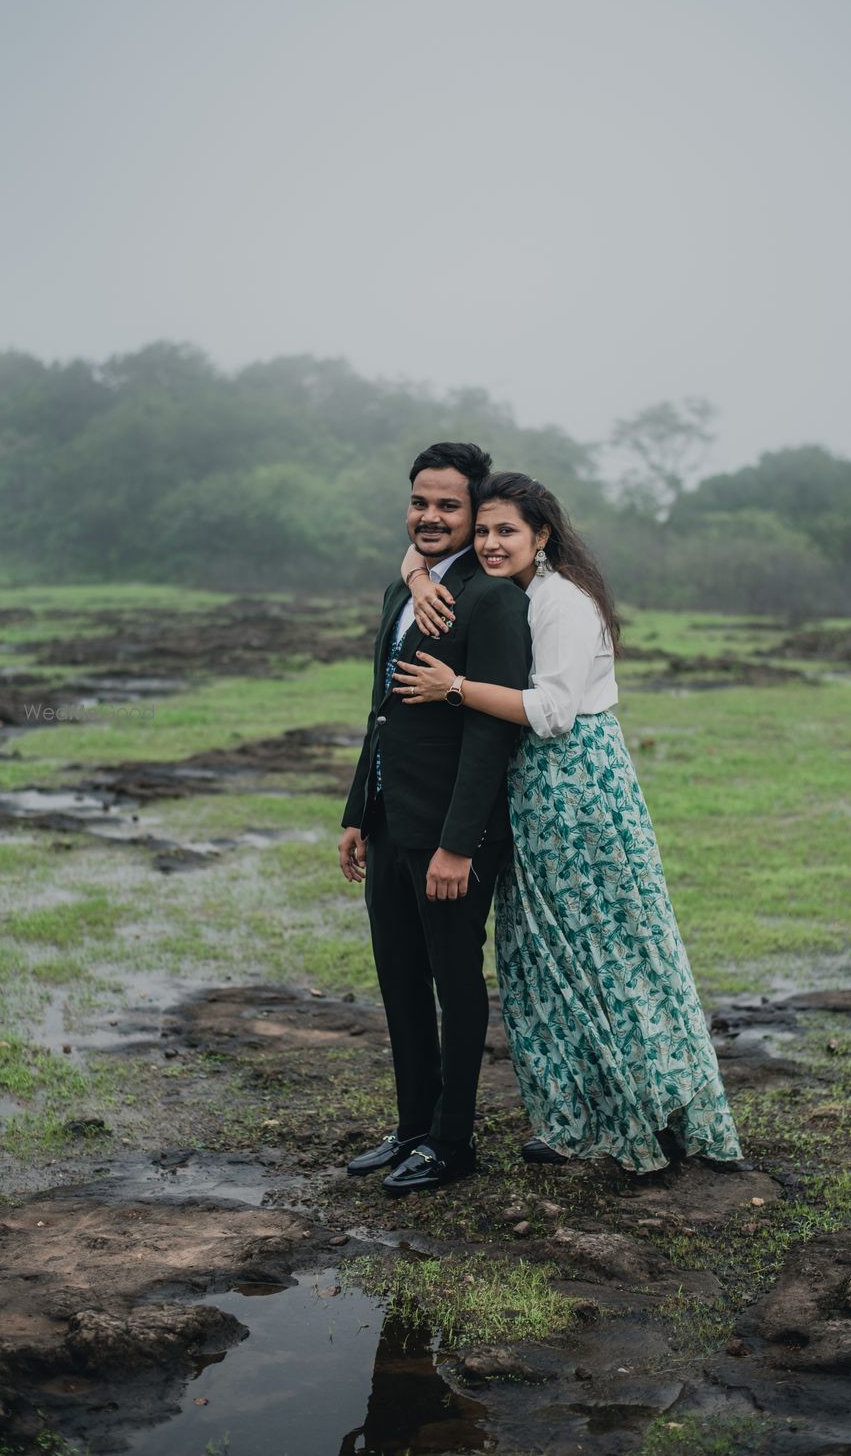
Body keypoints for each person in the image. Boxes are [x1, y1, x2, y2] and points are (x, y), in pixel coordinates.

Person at [392, 471, 744, 1175]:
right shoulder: (515, 594)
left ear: (541, 535)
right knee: (549, 959)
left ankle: (655, 1112)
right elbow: (422, 558)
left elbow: (552, 712)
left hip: (576, 786)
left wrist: (453, 687)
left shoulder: (562, 603)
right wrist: (416, 571)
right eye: (484, 530)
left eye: (506, 532)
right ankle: (580, 1116)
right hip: (535, 790)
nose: (491, 544)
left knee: (609, 954)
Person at [338, 443, 533, 1195]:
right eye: (421, 501)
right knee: (399, 983)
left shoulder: (492, 599)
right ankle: (412, 1127)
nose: (430, 516)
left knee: (455, 985)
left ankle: (454, 1144)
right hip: (390, 824)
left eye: (449, 506)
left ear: (475, 513)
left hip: (454, 836)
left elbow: (493, 733)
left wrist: (458, 846)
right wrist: (360, 811)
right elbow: (380, 713)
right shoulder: (403, 591)